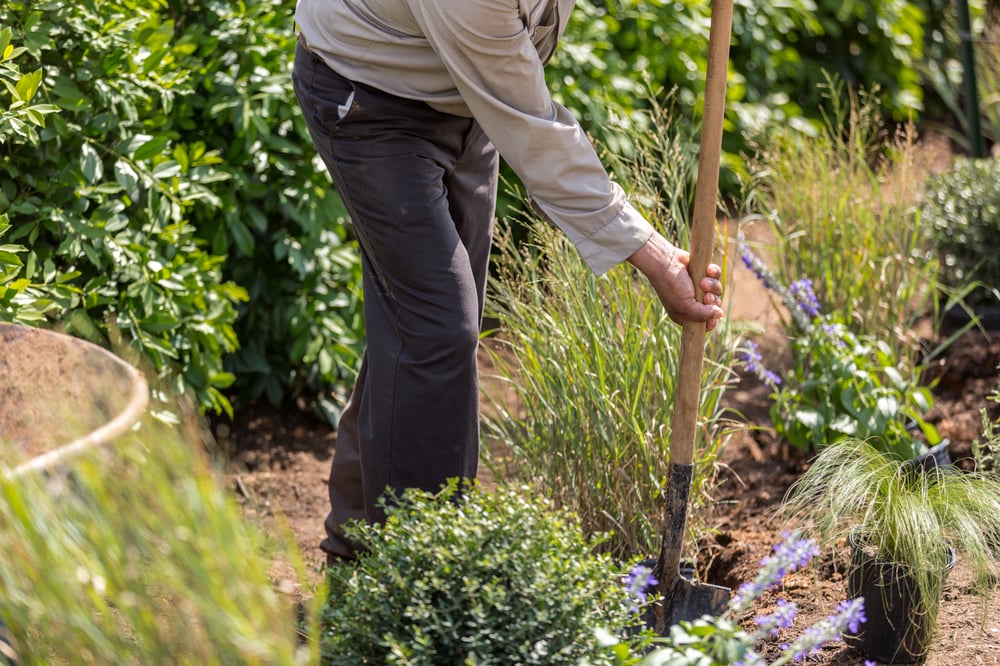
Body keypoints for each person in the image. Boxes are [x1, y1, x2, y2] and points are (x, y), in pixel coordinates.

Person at [291, 0, 725, 564]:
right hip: (371, 101)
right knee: (439, 329)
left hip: (467, 96)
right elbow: (534, 129)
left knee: (425, 333)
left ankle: (356, 552)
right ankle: (422, 586)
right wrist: (656, 257)